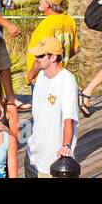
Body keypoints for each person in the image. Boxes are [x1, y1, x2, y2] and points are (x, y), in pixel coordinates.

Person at [26, 37, 79, 178]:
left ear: (54, 57)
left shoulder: (67, 80)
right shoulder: (41, 77)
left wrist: (66, 146)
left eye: (41, 56)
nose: (36, 59)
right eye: (36, 55)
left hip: (54, 161)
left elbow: (69, 119)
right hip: (33, 155)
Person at [25, 0, 78, 85]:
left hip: (42, 77)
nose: (38, 0)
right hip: (59, 74)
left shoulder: (46, 24)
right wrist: (60, 61)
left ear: (47, 4)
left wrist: (31, 75)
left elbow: (40, 56)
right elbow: (75, 49)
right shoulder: (70, 20)